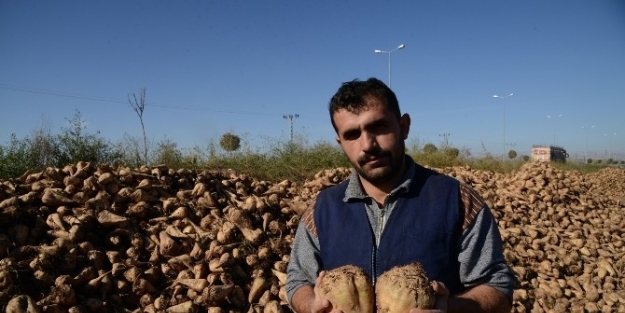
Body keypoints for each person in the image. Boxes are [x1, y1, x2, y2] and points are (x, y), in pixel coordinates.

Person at [286, 77, 514, 313]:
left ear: (404, 126)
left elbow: (498, 285)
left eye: (378, 127)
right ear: (340, 142)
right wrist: (309, 305)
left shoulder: (457, 200)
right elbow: (298, 280)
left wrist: (451, 309)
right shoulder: (322, 209)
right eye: (352, 134)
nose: (367, 145)